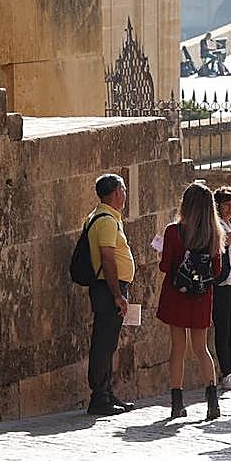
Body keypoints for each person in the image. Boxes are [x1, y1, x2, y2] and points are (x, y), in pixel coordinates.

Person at [158, 182, 225, 420]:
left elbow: (165, 266)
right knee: (201, 348)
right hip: (201, 296)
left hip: (176, 294)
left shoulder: (173, 232)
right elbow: (217, 271)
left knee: (177, 348)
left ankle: (177, 403)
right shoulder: (214, 235)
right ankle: (212, 402)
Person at [84, 174, 136, 416]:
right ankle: (100, 396)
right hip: (108, 288)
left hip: (109, 287)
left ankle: (106, 392)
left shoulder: (104, 217)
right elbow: (108, 259)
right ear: (116, 193)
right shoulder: (105, 220)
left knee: (108, 342)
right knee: (104, 343)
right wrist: (118, 294)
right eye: (123, 190)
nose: (125, 195)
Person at [212, 187, 231, 391]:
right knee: (222, 329)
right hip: (222, 285)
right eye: (226, 204)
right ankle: (226, 372)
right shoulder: (216, 226)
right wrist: (225, 242)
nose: (230, 208)